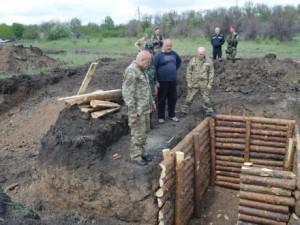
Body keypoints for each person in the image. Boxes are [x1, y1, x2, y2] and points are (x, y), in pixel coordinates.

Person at [122, 50, 155, 166]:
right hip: (137, 111)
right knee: (138, 134)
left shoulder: (142, 70)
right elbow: (127, 93)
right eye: (148, 62)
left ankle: (142, 153)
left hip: (145, 108)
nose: (149, 64)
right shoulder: (131, 71)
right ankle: (136, 156)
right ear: (142, 60)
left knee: (144, 132)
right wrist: (132, 111)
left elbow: (147, 89)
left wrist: (152, 103)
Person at [179, 47, 215, 117]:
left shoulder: (209, 61)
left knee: (206, 98)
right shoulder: (193, 60)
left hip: (204, 83)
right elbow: (188, 72)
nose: (200, 55)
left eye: (202, 54)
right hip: (194, 83)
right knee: (189, 98)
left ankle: (209, 111)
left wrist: (210, 84)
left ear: (204, 54)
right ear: (197, 53)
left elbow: (211, 72)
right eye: (199, 54)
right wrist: (189, 82)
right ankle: (184, 111)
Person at [154, 39, 182, 123]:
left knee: (173, 98)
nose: (169, 47)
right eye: (168, 46)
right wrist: (156, 81)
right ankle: (161, 116)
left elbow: (179, 62)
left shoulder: (174, 54)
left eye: (170, 46)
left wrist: (173, 69)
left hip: (172, 81)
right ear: (163, 45)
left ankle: (172, 115)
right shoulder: (158, 56)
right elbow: (154, 68)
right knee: (162, 99)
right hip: (162, 81)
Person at [144, 41, 159, 128]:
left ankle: (149, 122)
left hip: (152, 85)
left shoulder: (153, 58)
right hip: (144, 86)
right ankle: (145, 124)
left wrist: (156, 83)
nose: (151, 54)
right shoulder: (142, 58)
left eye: (151, 52)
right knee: (145, 105)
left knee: (152, 104)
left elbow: (154, 71)